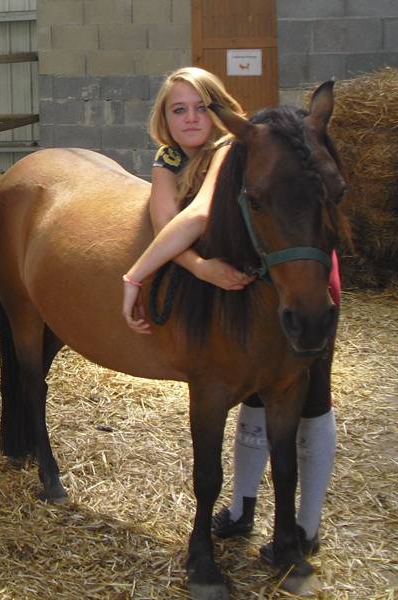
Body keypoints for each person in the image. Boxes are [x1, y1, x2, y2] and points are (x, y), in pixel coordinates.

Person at [121, 67, 338, 562]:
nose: (191, 118)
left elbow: (198, 216)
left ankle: (303, 524)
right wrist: (199, 267)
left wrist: (133, 278)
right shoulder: (169, 157)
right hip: (240, 288)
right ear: (164, 117)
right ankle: (243, 510)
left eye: (202, 107)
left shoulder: (232, 149)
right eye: (179, 109)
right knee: (255, 405)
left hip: (287, 282)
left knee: (309, 402)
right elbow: (166, 222)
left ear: (221, 110)